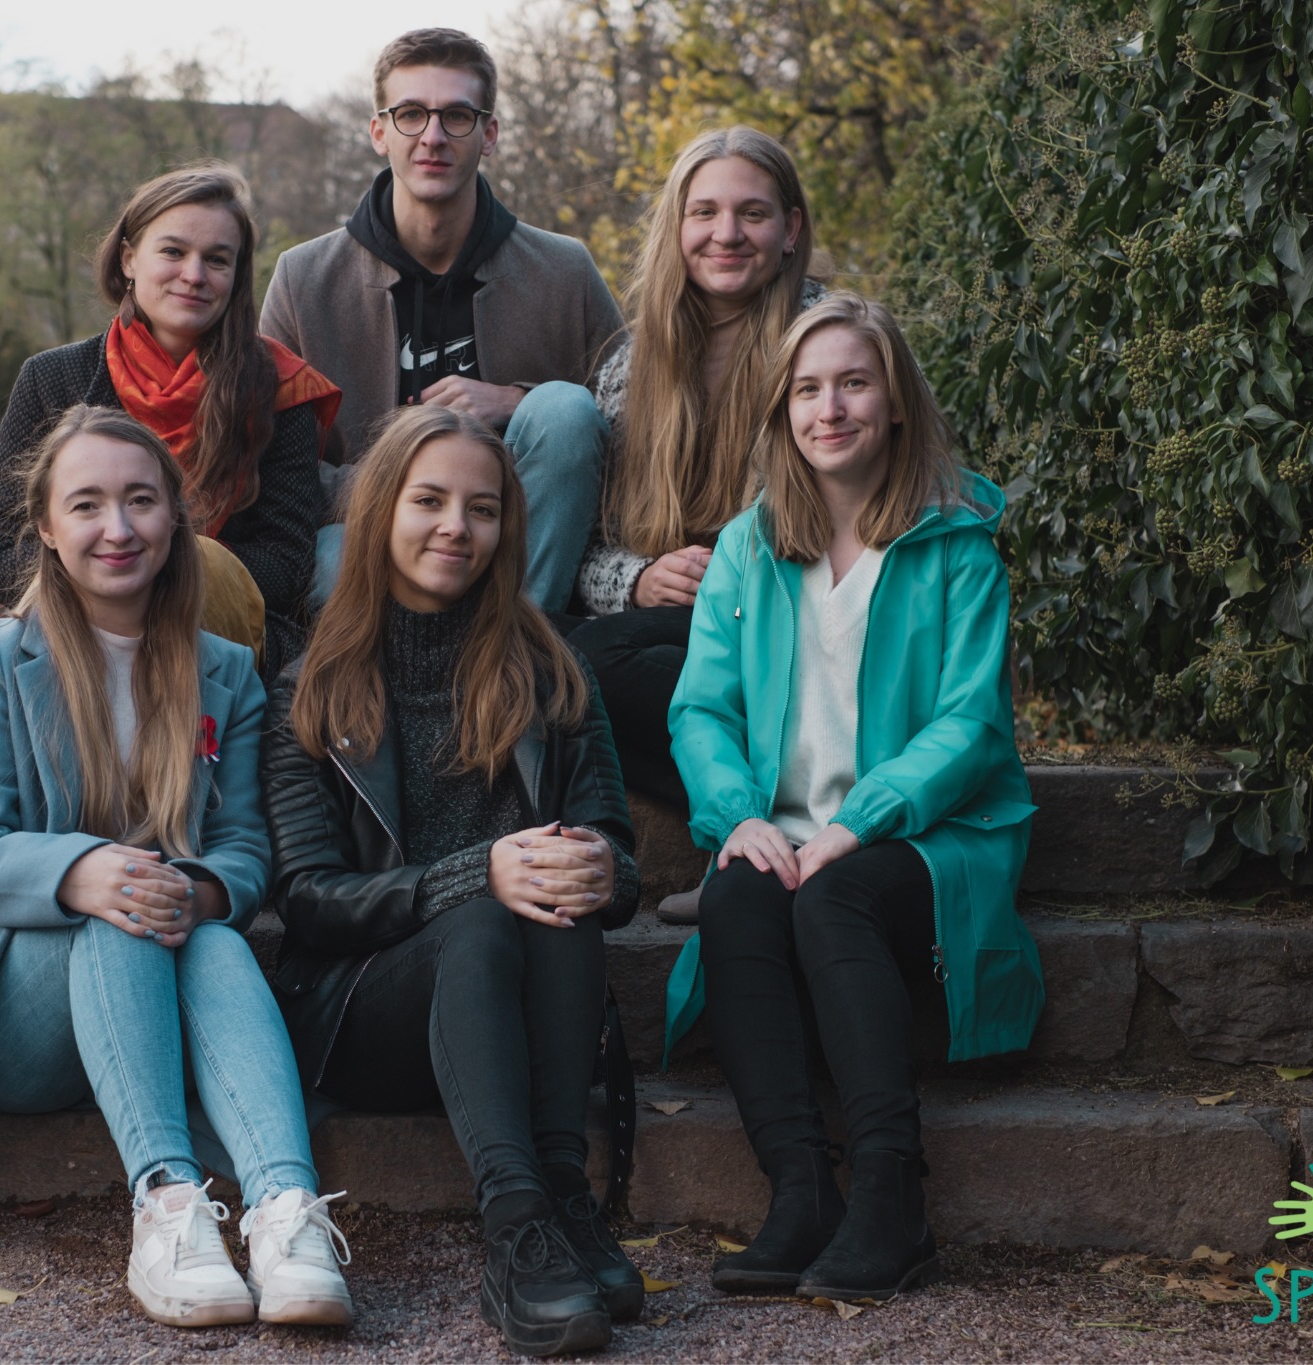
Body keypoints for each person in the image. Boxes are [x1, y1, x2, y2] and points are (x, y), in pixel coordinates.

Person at [0, 406, 353, 1331]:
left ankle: (286, 1214)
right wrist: (86, 873)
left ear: (174, 518)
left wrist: (199, 891)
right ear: (46, 526)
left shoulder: (226, 671)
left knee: (199, 928)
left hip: (156, 1003)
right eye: (87, 504)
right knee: (127, 903)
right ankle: (166, 1207)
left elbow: (243, 852)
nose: (117, 527)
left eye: (140, 500)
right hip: (10, 1010)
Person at [663, 293, 1044, 1303]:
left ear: (896, 402)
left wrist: (859, 822)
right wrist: (737, 816)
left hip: (932, 833)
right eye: (806, 389)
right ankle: (800, 1195)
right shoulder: (748, 547)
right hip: (783, 830)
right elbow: (700, 710)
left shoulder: (955, 543)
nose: (828, 408)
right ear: (782, 410)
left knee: (833, 895)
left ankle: (891, 1199)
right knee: (737, 893)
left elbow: (969, 727)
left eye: (853, 384)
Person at [260, 404, 643, 1356]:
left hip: (523, 1004)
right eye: (429, 501)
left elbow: (620, 864)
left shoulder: (552, 672)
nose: (455, 528)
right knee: (482, 911)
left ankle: (563, 1192)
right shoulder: (310, 688)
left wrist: (602, 866)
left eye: (482, 508)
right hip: (364, 1010)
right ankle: (515, 1226)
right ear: (381, 512)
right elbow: (306, 898)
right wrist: (476, 872)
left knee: (555, 880)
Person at [260, 28, 621, 615]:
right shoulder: (303, 279)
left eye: (456, 116)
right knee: (329, 558)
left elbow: (633, 425)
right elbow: (273, 461)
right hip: (371, 543)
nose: (432, 136)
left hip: (520, 548)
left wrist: (518, 401)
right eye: (410, 114)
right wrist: (396, 487)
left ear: (489, 134)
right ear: (379, 132)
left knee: (563, 408)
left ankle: (523, 649)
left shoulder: (564, 270)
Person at [0, 163, 341, 676]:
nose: (194, 275)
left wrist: (162, 575)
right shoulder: (52, 378)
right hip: (80, 636)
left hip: (224, 644)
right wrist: (111, 584)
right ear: (129, 258)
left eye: (217, 259)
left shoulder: (281, 389)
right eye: (173, 251)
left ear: (237, 276)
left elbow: (287, 563)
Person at [566, 128, 825, 844]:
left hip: (790, 626)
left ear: (790, 229)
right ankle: (766, 815)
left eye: (752, 213)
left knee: (596, 665)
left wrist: (740, 578)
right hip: (669, 632)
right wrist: (640, 579)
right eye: (704, 212)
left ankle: (767, 819)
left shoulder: (828, 342)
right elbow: (588, 547)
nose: (727, 234)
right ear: (676, 227)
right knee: (550, 658)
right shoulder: (632, 363)